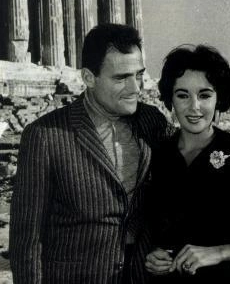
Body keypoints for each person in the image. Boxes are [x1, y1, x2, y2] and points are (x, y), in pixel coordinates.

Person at [9, 24, 173, 284]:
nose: (136, 88)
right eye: (121, 78)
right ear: (88, 77)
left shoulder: (152, 122)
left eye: (139, 75)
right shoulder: (45, 135)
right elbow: (26, 240)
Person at [145, 44, 230, 283]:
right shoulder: (157, 155)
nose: (194, 107)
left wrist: (221, 252)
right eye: (182, 95)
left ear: (219, 98)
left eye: (204, 95)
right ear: (170, 98)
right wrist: (152, 257)